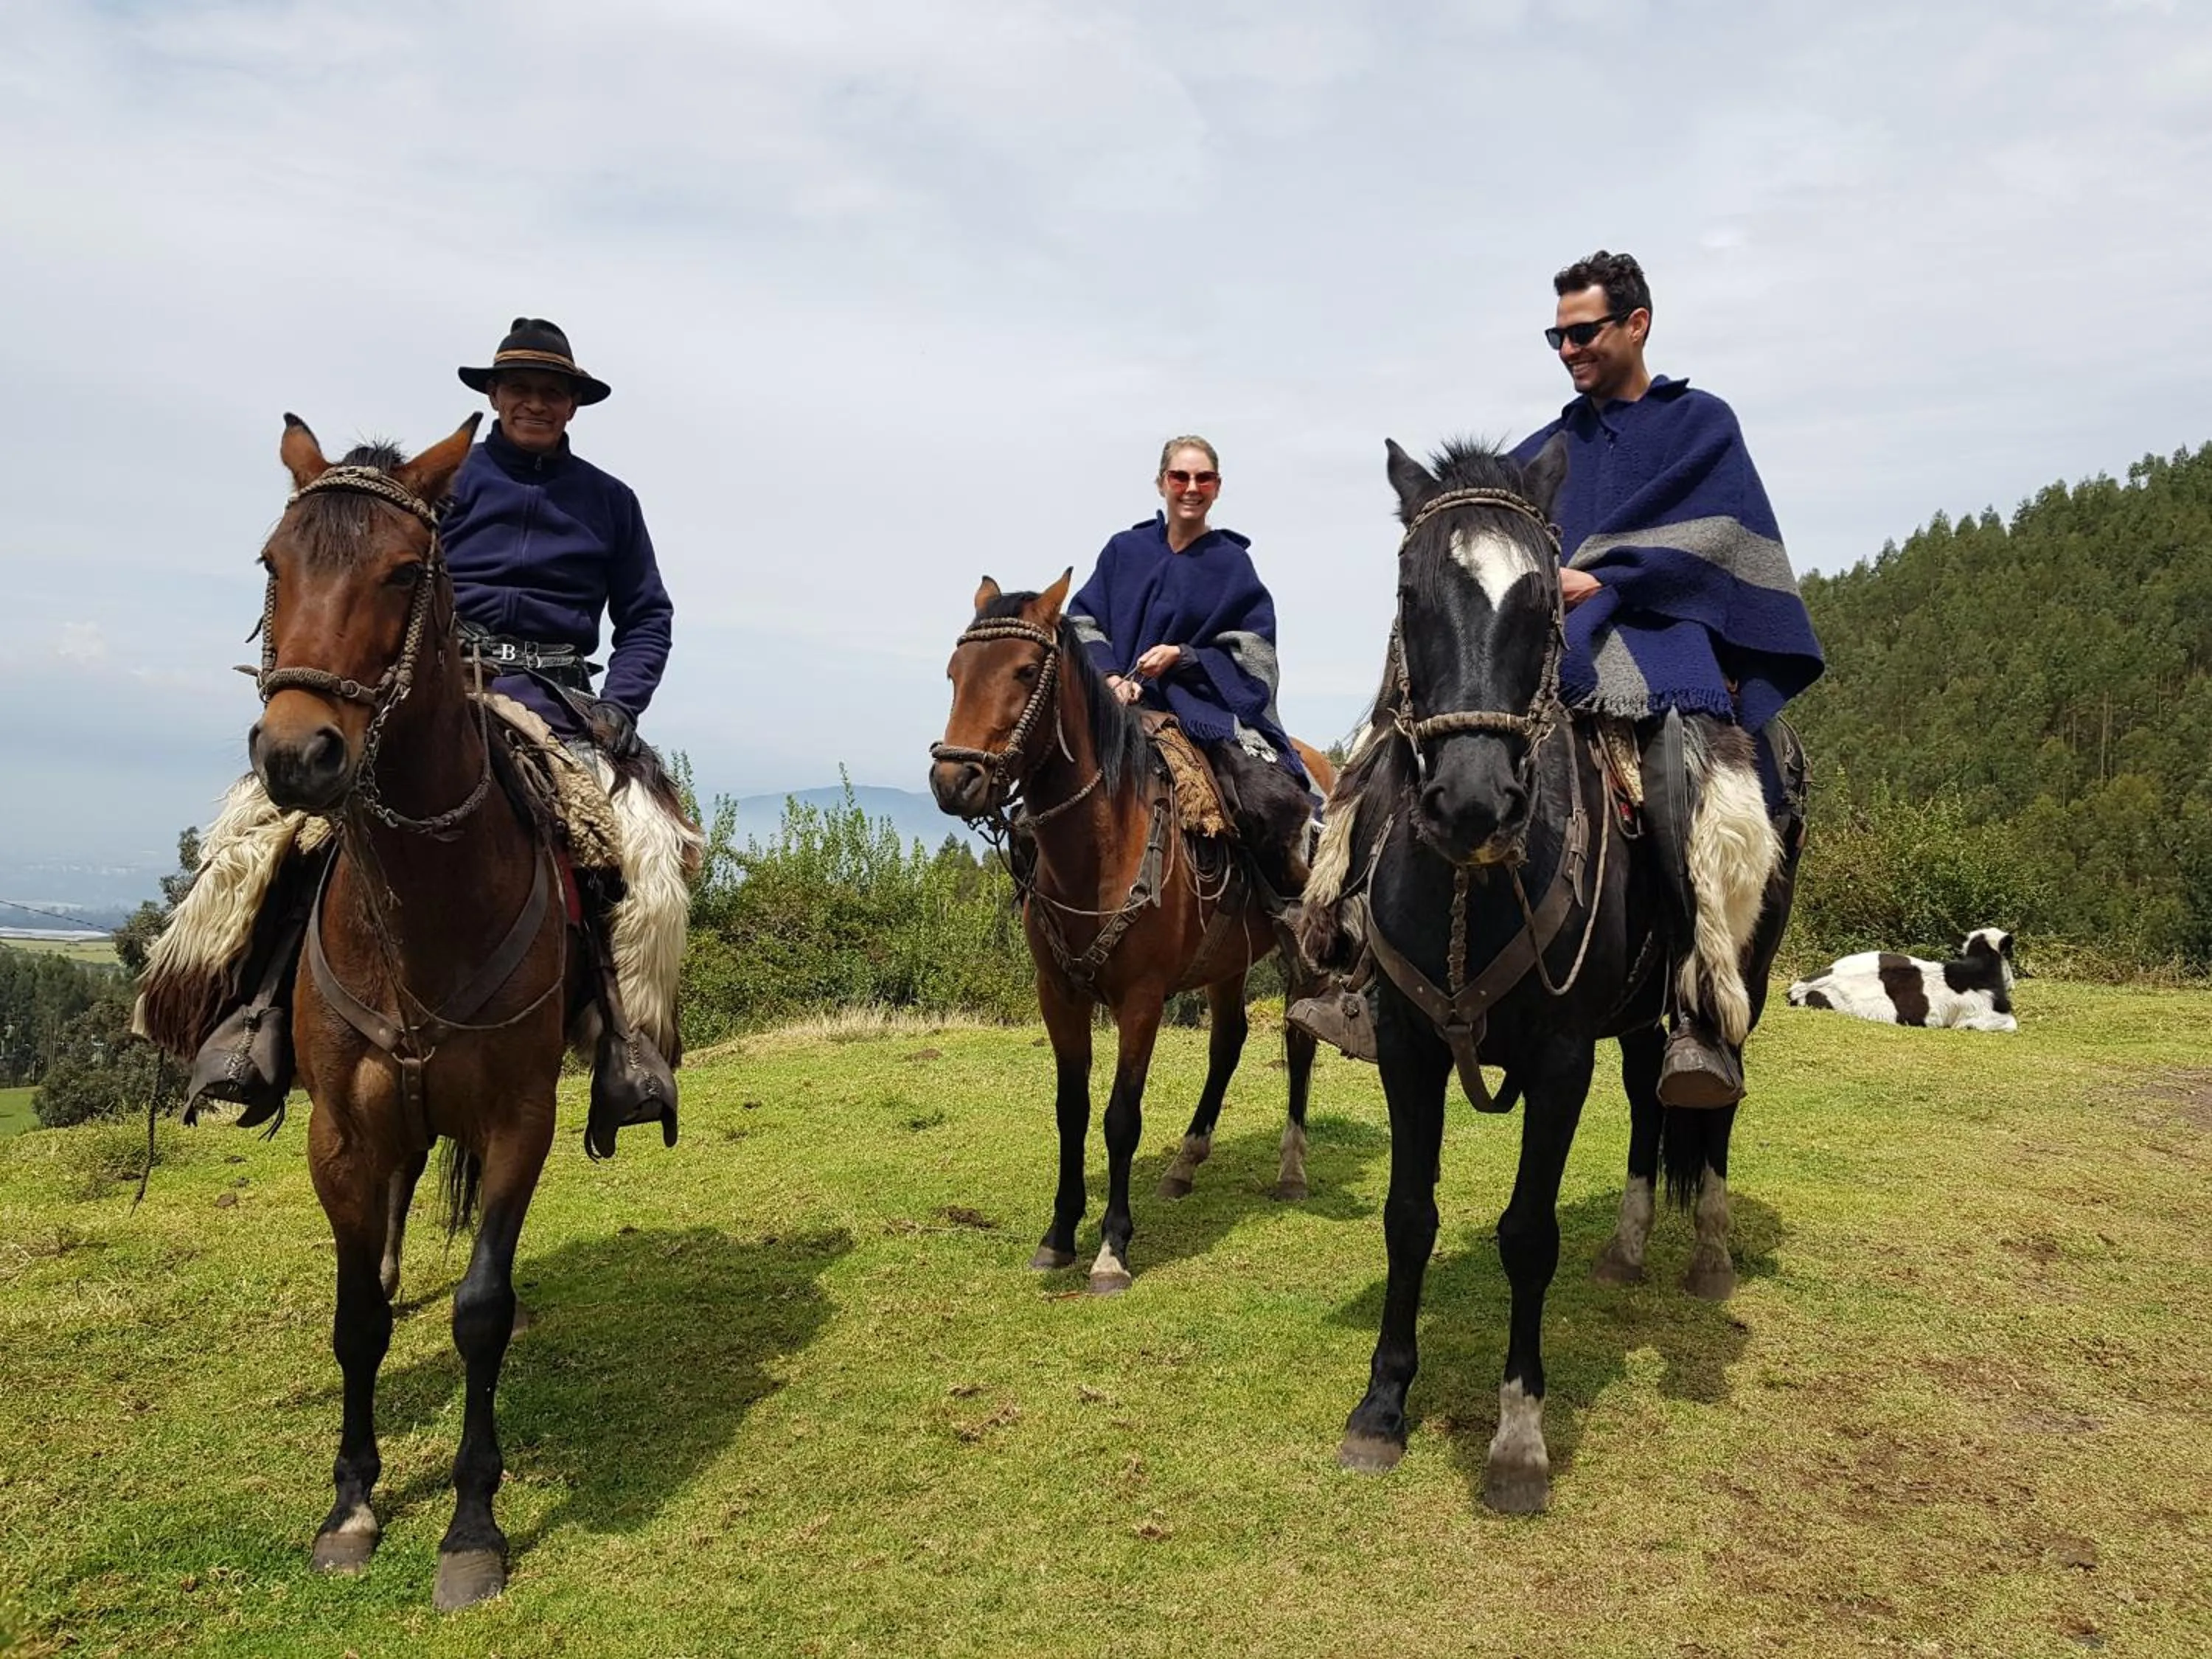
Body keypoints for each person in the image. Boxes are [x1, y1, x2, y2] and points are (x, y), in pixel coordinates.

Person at [1293, 253, 1824, 1107]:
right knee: (1400, 739)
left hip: (1660, 638)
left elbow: (1717, 543)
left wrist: (1606, 577)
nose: (1569, 350)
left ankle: (1696, 999)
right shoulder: (1546, 449)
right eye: (1558, 337)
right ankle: (1359, 961)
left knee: (1685, 769)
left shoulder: (1701, 426)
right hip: (1555, 638)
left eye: (1583, 333)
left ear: (1637, 324)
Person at [175, 319, 686, 1158]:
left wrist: (623, 704)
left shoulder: (609, 502)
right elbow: (367, 571)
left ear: (572, 406)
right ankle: (249, 1012)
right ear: (494, 396)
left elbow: (647, 618)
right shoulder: (435, 486)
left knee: (648, 849)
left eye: (552, 391)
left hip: (560, 704)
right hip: (433, 689)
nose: (534, 402)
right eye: (518, 388)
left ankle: (627, 1043)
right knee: (266, 829)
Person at [1068, 437, 1315, 898]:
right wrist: (1111, 677)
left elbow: (1256, 653)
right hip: (1112, 706)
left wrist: (1182, 656)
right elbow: (1081, 621)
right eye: (1180, 477)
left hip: (1200, 709)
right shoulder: (1124, 550)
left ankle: (1286, 909)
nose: (1191, 488)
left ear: (1217, 488)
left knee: (1266, 802)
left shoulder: (1232, 564)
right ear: (1162, 483)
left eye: (1204, 478)